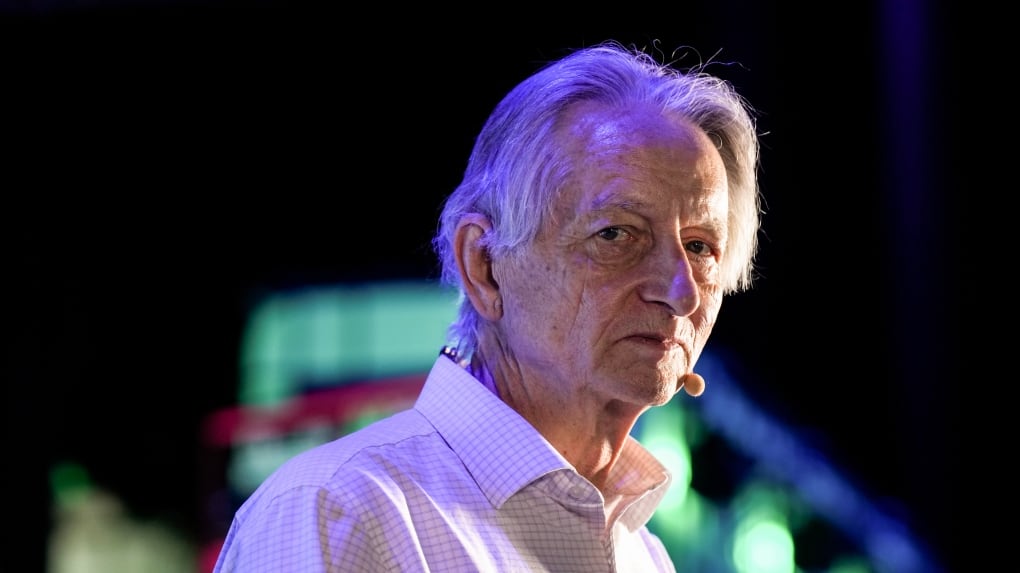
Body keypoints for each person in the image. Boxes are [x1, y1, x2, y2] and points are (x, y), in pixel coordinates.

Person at [213, 39, 762, 572]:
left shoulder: (647, 557)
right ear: (485, 266)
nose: (681, 291)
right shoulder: (338, 512)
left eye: (700, 247)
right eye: (616, 234)